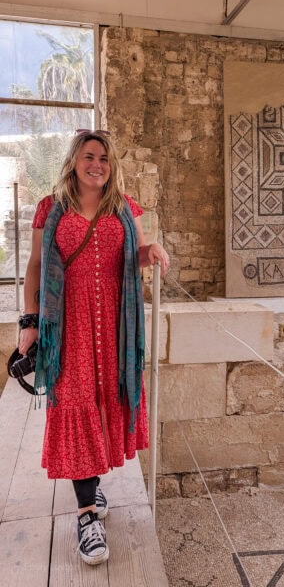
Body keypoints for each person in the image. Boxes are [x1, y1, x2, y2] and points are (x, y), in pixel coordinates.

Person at [18, 129, 170, 565]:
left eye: (104, 158)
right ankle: (87, 516)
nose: (97, 164)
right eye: (89, 156)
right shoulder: (51, 208)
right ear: (74, 160)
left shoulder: (123, 206)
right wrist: (29, 323)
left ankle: (91, 485)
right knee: (75, 400)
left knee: (103, 401)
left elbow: (133, 255)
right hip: (67, 325)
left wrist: (151, 250)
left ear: (111, 164)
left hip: (115, 324)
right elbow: (34, 267)